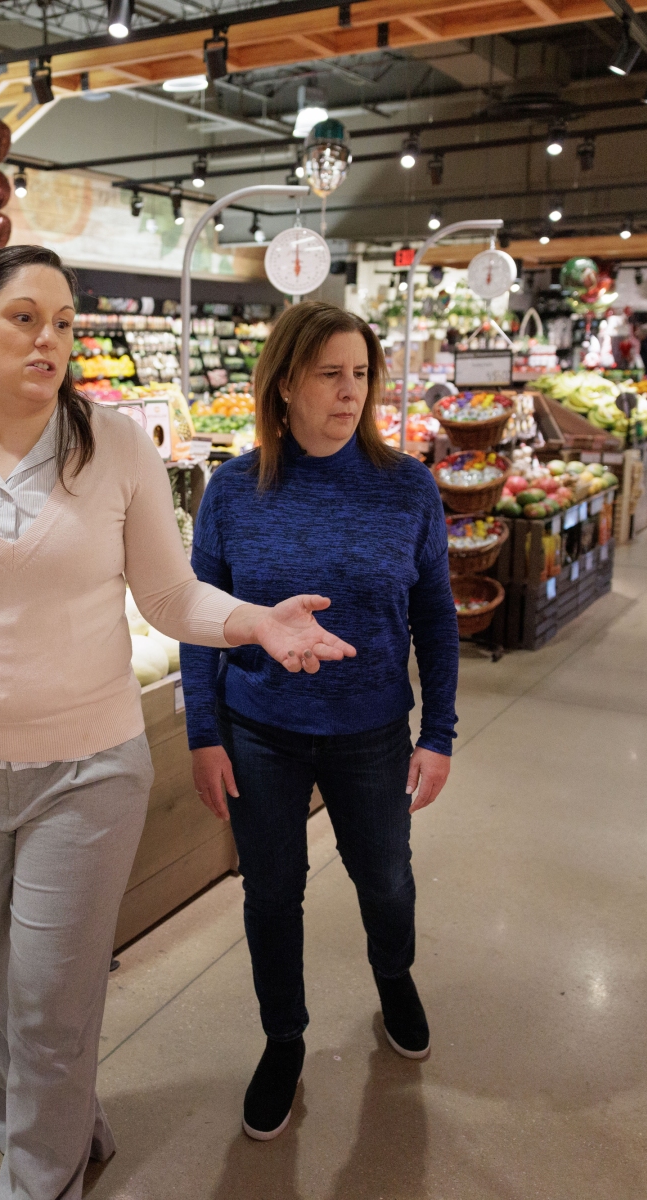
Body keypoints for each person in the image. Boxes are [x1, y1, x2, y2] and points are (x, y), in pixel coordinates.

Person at [0, 246, 354, 1200]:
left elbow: (167, 594)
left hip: (88, 769)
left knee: (50, 994)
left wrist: (253, 622)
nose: (49, 340)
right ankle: (52, 1130)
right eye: (25, 318)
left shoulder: (114, 446)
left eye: (65, 323)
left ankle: (39, 1179)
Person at [182, 301, 459, 1142]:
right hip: (259, 730)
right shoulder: (234, 490)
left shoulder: (407, 486)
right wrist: (203, 734)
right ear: (285, 383)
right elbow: (198, 617)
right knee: (271, 892)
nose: (350, 392)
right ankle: (283, 1038)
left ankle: (394, 976)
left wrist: (438, 733)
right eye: (330, 374)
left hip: (371, 732)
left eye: (361, 374)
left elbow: (436, 617)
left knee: (386, 879)